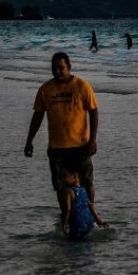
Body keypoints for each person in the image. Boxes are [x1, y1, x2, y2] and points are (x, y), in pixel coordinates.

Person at [25, 52, 100, 217]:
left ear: (69, 67)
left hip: (81, 146)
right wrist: (29, 140)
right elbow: (38, 115)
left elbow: (93, 112)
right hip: (57, 148)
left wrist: (93, 140)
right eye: (54, 68)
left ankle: (89, 211)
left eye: (61, 68)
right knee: (60, 186)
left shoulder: (81, 86)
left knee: (87, 181)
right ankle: (66, 215)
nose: (57, 71)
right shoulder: (45, 89)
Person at [60, 166, 108, 239]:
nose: (62, 179)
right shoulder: (83, 190)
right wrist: (99, 221)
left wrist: (64, 222)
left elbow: (68, 209)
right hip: (89, 223)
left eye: (64, 176)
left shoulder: (68, 191)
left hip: (77, 224)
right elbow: (91, 205)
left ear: (75, 176)